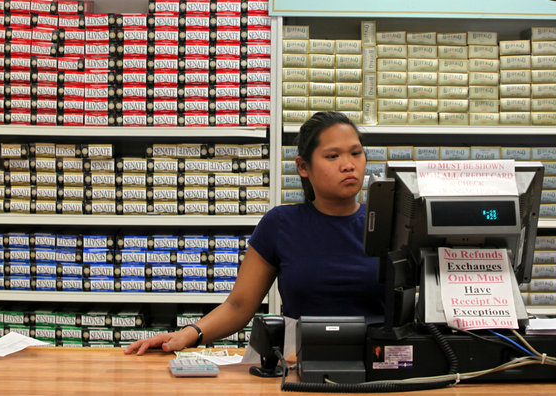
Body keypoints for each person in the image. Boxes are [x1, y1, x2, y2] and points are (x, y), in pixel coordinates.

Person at [125, 111, 384, 356]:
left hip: (382, 367)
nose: (348, 165)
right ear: (303, 167)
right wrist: (186, 335)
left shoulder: (387, 223)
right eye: (333, 156)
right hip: (304, 367)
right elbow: (238, 306)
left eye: (356, 153)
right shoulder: (281, 224)